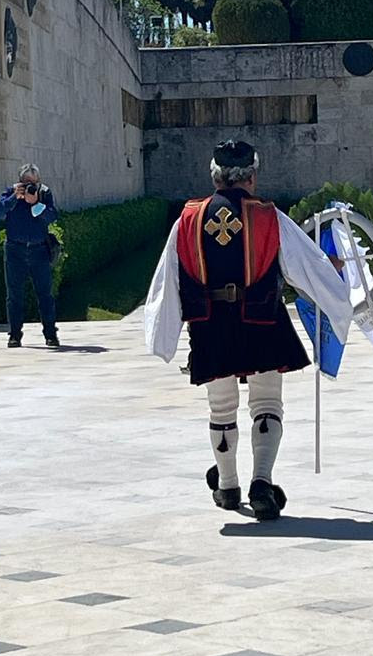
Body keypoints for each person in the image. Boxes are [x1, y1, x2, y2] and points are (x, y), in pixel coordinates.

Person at [145, 139, 353, 520]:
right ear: (252, 177)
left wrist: (163, 336)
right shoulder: (268, 217)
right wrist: (335, 286)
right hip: (261, 319)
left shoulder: (187, 219)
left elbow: (167, 280)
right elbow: (306, 265)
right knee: (267, 403)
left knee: (221, 406)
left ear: (215, 177)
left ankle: (227, 486)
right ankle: (262, 482)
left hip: (210, 324)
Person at [0, 163, 60, 349]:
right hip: (15, 250)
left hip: (39, 250)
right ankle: (14, 335)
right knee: (14, 295)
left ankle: (50, 335)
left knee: (45, 295)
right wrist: (14, 197)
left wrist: (36, 204)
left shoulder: (44, 193)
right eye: (26, 183)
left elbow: (53, 216)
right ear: (20, 181)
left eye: (33, 183)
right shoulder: (12, 192)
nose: (30, 186)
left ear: (38, 182)